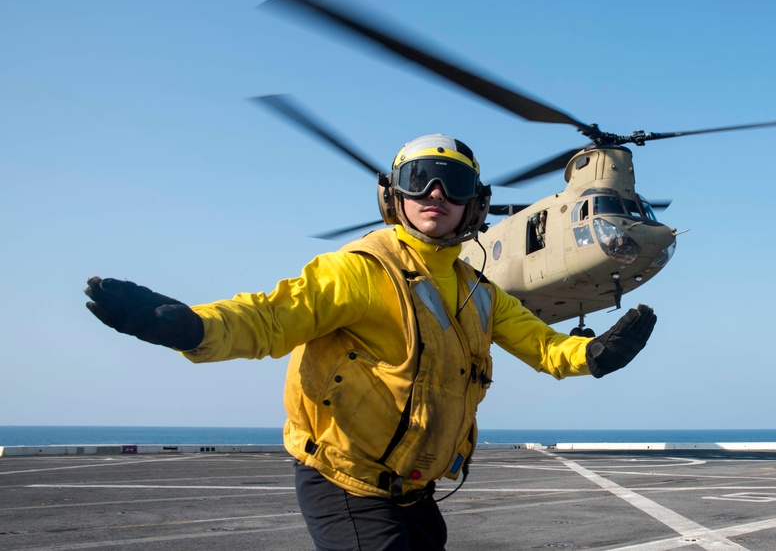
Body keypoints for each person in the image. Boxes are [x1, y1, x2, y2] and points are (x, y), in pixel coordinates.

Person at [84, 134, 657, 551]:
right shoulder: (360, 269)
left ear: (474, 203)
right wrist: (193, 326)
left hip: (415, 490)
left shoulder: (477, 291)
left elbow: (542, 346)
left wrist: (594, 356)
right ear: (394, 196)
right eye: (419, 180)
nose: (435, 192)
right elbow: (271, 317)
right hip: (344, 481)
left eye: (452, 183)